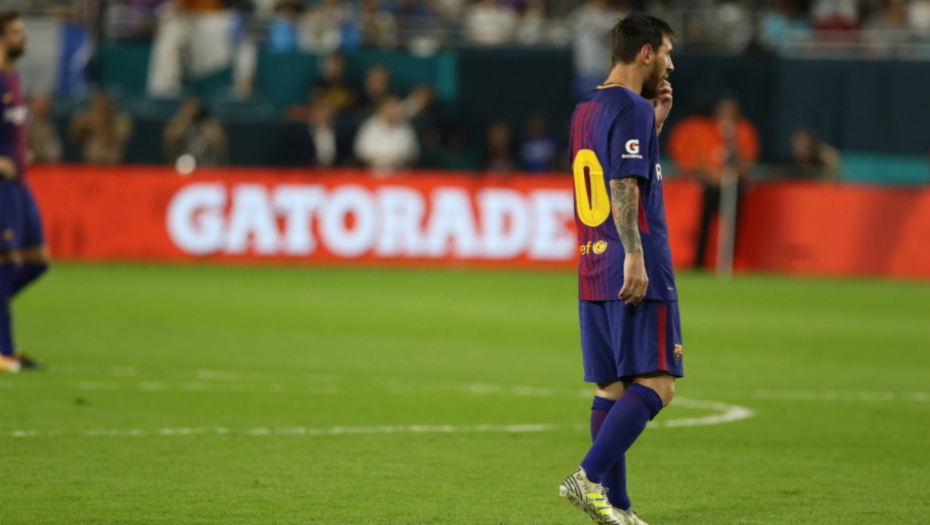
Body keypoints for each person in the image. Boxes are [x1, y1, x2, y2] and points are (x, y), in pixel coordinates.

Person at [559, 14, 678, 525]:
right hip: (630, 261)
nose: (670, 64)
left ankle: (620, 507)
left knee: (612, 386)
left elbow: (613, 165)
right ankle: (587, 478)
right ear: (645, 53)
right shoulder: (631, 107)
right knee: (659, 383)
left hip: (591, 261)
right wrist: (634, 253)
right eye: (667, 53)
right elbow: (622, 184)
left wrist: (654, 128)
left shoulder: (587, 107)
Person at [0, 11, 50, 372]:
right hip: (2, 184)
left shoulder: (13, 78)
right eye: (17, 32)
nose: (24, 37)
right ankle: (5, 351)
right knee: (5, 263)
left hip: (20, 183)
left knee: (37, 260)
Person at [353, 96, 419, 173]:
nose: (392, 112)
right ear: (381, 109)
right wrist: (381, 160)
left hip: (400, 172)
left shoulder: (406, 128)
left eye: (394, 109)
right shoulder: (369, 126)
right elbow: (361, 152)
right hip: (372, 171)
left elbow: (413, 153)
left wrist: (394, 160)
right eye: (389, 108)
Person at [69, 91, 134, 164]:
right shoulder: (85, 117)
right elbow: (75, 139)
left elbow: (120, 140)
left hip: (113, 163)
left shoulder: (121, 119)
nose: (101, 107)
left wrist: (101, 125)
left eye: (104, 104)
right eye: (98, 104)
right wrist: (86, 125)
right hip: (89, 162)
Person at [163, 97, 228, 167]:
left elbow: (217, 146)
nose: (192, 112)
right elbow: (171, 141)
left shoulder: (209, 125)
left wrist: (204, 126)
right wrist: (186, 121)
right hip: (182, 164)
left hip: (205, 166)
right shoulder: (177, 124)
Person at [27, 93, 63, 163]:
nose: (43, 107)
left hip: (49, 161)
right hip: (35, 161)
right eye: (39, 104)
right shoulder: (27, 122)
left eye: (46, 104)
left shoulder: (50, 123)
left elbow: (54, 143)